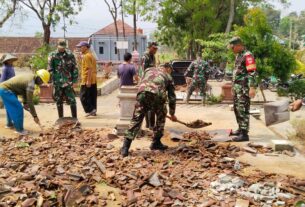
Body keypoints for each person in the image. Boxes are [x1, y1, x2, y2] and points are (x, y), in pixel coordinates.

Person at [120, 63, 177, 157]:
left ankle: (125, 147)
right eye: (170, 70)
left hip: (142, 94)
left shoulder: (148, 69)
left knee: (136, 120)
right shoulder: (168, 76)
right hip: (157, 96)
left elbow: (143, 82)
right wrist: (172, 114)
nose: (170, 72)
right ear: (167, 68)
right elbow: (172, 98)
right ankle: (156, 142)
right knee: (161, 117)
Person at [0, 69, 50, 135]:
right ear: (39, 78)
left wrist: (25, 103)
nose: (41, 84)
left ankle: (9, 124)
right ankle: (19, 130)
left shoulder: (31, 78)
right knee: (18, 108)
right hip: (6, 90)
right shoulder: (31, 83)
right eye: (42, 82)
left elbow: (24, 91)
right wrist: (35, 116)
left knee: (11, 107)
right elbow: (30, 101)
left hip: (5, 89)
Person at [228, 37, 257, 142]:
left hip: (244, 88)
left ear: (239, 45)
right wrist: (233, 86)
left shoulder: (248, 56)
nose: (232, 49)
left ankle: (244, 134)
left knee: (243, 110)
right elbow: (237, 73)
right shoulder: (238, 56)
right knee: (237, 109)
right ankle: (240, 129)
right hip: (237, 88)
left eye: (233, 47)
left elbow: (252, 72)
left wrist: (252, 87)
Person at [48, 39, 78, 119]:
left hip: (68, 82)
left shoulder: (70, 55)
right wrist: (50, 81)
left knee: (72, 100)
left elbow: (74, 68)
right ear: (57, 46)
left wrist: (75, 81)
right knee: (58, 100)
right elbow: (50, 69)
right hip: (57, 82)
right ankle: (60, 118)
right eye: (60, 47)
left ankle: (74, 118)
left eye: (63, 47)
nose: (62, 49)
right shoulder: (52, 55)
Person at [76, 41, 98, 117]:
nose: (80, 49)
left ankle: (90, 110)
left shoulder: (86, 56)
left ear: (85, 47)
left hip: (87, 79)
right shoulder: (90, 55)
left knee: (83, 97)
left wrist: (88, 80)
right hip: (93, 79)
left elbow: (89, 69)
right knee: (92, 95)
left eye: (81, 47)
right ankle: (93, 110)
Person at [141, 42, 159, 129]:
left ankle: (151, 124)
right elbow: (144, 71)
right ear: (150, 48)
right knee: (147, 105)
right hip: (146, 83)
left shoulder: (153, 56)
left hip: (152, 82)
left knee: (152, 105)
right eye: (154, 48)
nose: (155, 50)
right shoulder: (145, 57)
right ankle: (149, 124)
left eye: (156, 49)